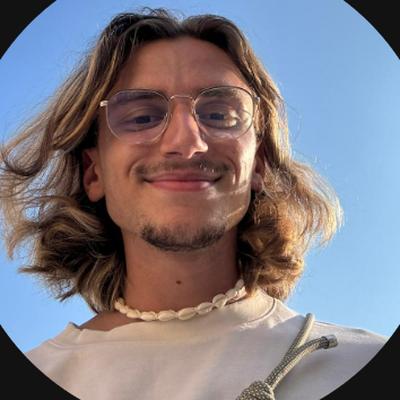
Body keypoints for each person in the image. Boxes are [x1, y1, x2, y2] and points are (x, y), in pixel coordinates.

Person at [0, 8, 386, 400]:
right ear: (93, 173)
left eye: (219, 114)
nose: (185, 142)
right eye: (142, 117)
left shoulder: (361, 363)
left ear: (259, 165)